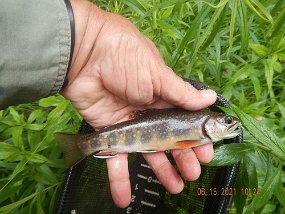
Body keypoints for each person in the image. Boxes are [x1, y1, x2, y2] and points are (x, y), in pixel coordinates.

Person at [0, 0, 217, 208]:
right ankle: (82, 145)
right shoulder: (197, 130)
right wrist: (87, 42)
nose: (230, 125)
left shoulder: (198, 129)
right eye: (226, 122)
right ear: (209, 123)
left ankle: (84, 144)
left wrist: (85, 43)